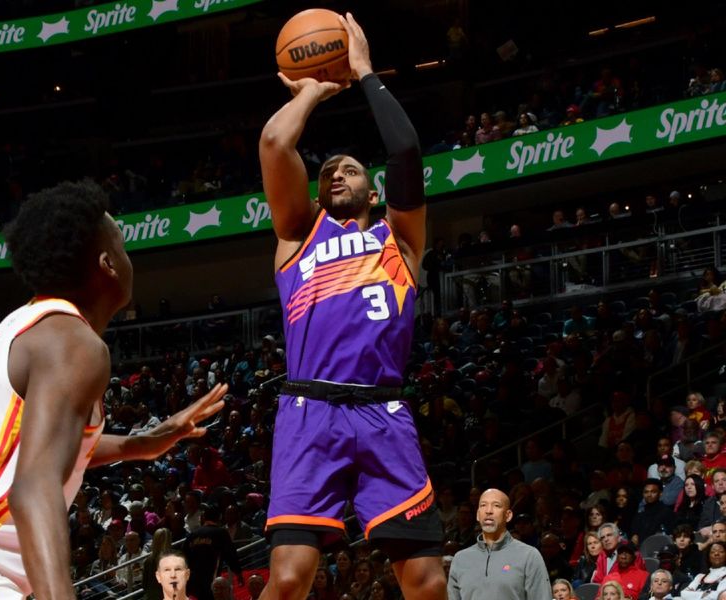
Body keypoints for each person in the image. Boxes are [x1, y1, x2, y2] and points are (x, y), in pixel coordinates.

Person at [0, 181, 227, 599]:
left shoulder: (26, 327)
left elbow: (25, 446)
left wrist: (140, 443)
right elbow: (33, 486)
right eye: (122, 245)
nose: (129, 258)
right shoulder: (74, 342)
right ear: (107, 264)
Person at [258, 13, 444, 600]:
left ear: (376, 190)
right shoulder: (298, 234)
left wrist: (364, 72)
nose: (336, 172)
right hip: (310, 412)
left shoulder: (402, 241)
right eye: (329, 172)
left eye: (351, 169)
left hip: (383, 414)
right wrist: (313, 88)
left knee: (427, 581)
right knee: (288, 579)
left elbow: (407, 147)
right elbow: (273, 143)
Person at [447, 488, 551, 599]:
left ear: (508, 515)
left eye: (496, 505)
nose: (488, 511)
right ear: (478, 515)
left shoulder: (529, 556)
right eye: (483, 505)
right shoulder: (460, 559)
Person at [183, 504, 243, 600]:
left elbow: (184, 557)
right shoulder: (220, 533)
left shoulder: (192, 535)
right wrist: (238, 573)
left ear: (204, 517)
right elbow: (231, 555)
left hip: (192, 581)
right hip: (211, 579)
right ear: (219, 517)